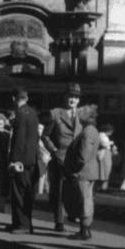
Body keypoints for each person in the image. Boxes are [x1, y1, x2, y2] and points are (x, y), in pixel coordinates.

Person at [42, 83, 83, 232]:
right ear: (65, 97)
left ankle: (76, 217)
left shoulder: (82, 115)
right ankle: (59, 222)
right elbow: (45, 136)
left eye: (76, 97)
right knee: (59, 191)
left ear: (79, 100)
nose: (72, 100)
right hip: (60, 158)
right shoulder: (55, 113)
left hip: (78, 159)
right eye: (70, 96)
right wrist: (53, 151)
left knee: (77, 190)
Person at [62, 103, 102, 240]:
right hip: (89, 171)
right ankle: (85, 229)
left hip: (83, 172)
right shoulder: (92, 130)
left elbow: (83, 155)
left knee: (84, 200)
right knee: (86, 199)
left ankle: (84, 231)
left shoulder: (88, 132)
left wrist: (74, 169)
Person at [6, 88, 41, 232]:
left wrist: (14, 160)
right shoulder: (33, 113)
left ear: (14, 98)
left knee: (19, 193)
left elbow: (19, 139)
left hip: (21, 160)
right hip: (31, 158)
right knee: (27, 193)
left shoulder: (20, 114)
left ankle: (21, 225)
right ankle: (26, 223)